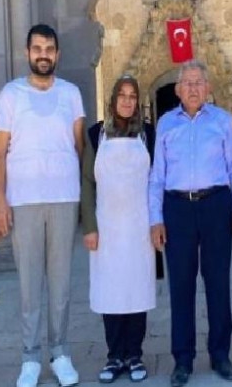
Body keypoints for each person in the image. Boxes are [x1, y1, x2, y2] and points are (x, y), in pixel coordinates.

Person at [0, 24, 85, 387]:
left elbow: (79, 147)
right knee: (29, 285)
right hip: (24, 200)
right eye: (37, 48)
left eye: (49, 49)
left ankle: (60, 353)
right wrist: (0, 202)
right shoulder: (11, 94)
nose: (43, 55)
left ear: (57, 54)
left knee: (61, 284)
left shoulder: (71, 94)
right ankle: (29, 358)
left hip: (63, 198)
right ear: (27, 52)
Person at [149, 60, 232, 387]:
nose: (193, 88)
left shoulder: (222, 121)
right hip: (177, 208)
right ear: (178, 90)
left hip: (216, 205)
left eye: (198, 82)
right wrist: (155, 219)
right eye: (187, 83)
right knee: (181, 284)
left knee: (218, 281)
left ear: (208, 88)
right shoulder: (165, 124)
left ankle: (220, 354)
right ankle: (183, 358)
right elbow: (157, 176)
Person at [80, 75, 156, 383]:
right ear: (113, 100)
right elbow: (87, 181)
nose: (127, 101)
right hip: (107, 227)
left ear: (137, 101)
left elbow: (156, 181)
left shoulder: (148, 134)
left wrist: (157, 223)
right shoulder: (96, 133)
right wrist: (89, 226)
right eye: (121, 95)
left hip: (139, 227)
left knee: (136, 290)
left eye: (132, 96)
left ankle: (134, 354)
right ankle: (114, 356)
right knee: (110, 291)